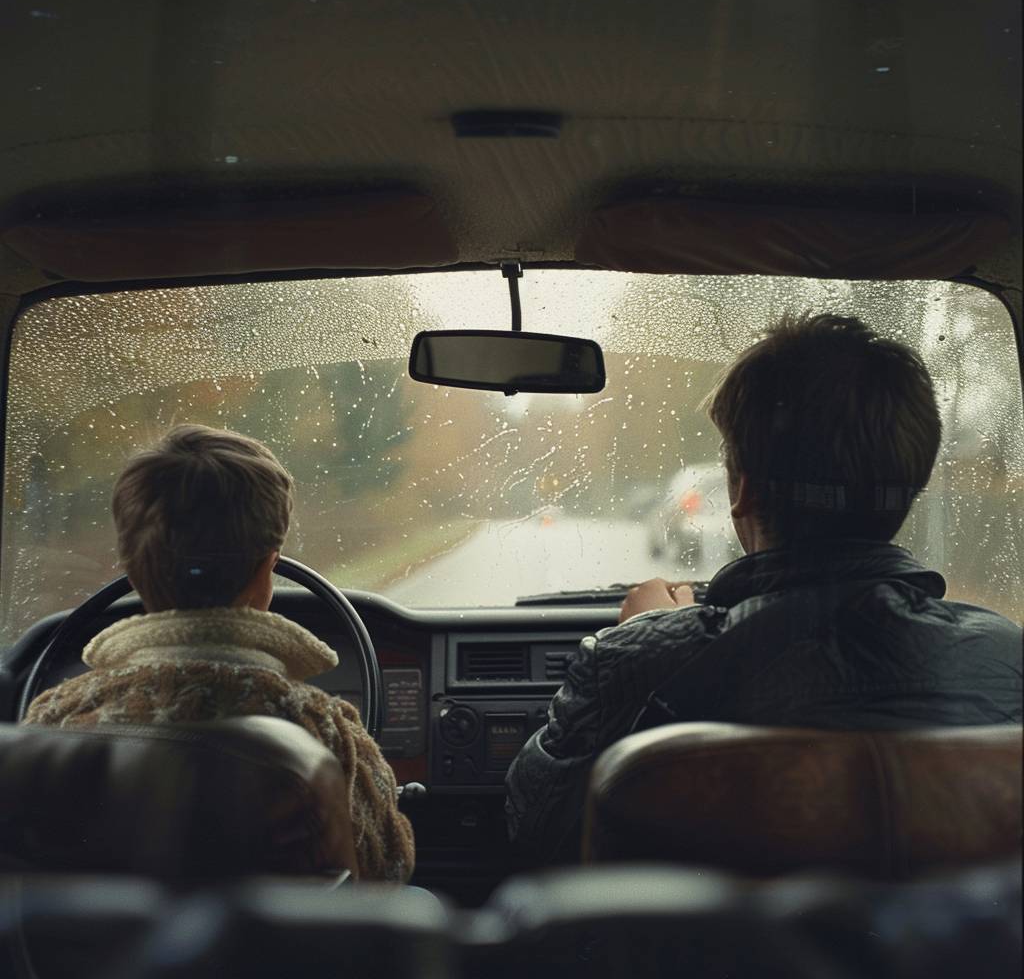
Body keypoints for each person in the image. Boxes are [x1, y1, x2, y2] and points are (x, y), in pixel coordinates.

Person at [505, 313, 1022, 862]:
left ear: (742, 490)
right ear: (910, 490)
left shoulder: (634, 663)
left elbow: (531, 833)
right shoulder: (1007, 659)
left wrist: (642, 638)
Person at [23, 424, 414, 883]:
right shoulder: (319, 728)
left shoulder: (53, 721)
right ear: (268, 568)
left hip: (93, 957)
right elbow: (389, 870)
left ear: (131, 569)